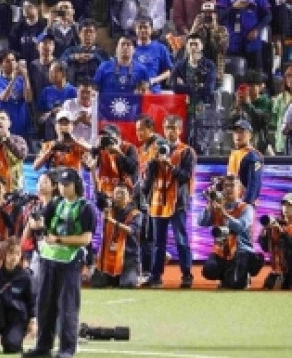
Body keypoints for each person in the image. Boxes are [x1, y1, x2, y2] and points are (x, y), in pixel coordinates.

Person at [24, 168, 95, 358]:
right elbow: (39, 224)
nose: (63, 188)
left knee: (67, 305)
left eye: (67, 185)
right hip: (49, 259)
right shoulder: (55, 203)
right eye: (61, 185)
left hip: (70, 261)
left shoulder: (85, 208)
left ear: (76, 186)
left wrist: (59, 240)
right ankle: (43, 345)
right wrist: (35, 221)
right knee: (44, 304)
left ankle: (67, 348)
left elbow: (86, 239)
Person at [140, 115, 196, 288]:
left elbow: (186, 176)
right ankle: (155, 276)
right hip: (157, 201)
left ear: (180, 130)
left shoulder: (187, 151)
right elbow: (147, 181)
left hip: (178, 202)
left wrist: (170, 165)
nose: (170, 131)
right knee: (158, 242)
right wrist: (152, 164)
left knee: (181, 240)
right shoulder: (155, 149)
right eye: (167, 127)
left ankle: (187, 274)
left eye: (173, 128)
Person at [198, 174, 256, 290]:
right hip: (222, 250)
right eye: (226, 186)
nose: (228, 189)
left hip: (241, 250)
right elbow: (202, 222)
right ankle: (226, 277)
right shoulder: (217, 205)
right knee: (208, 270)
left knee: (236, 285)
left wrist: (223, 213)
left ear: (240, 190)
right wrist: (209, 204)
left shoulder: (247, 208)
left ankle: (244, 275)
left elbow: (240, 227)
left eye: (232, 186)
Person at [89, 183, 143, 289]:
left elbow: (131, 230)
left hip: (128, 257)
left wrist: (112, 221)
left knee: (127, 284)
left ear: (129, 197)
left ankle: (134, 275)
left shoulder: (136, 213)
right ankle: (115, 278)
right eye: (116, 193)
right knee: (96, 283)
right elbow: (99, 194)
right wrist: (93, 171)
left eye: (122, 193)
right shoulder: (109, 208)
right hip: (109, 257)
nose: (118, 196)